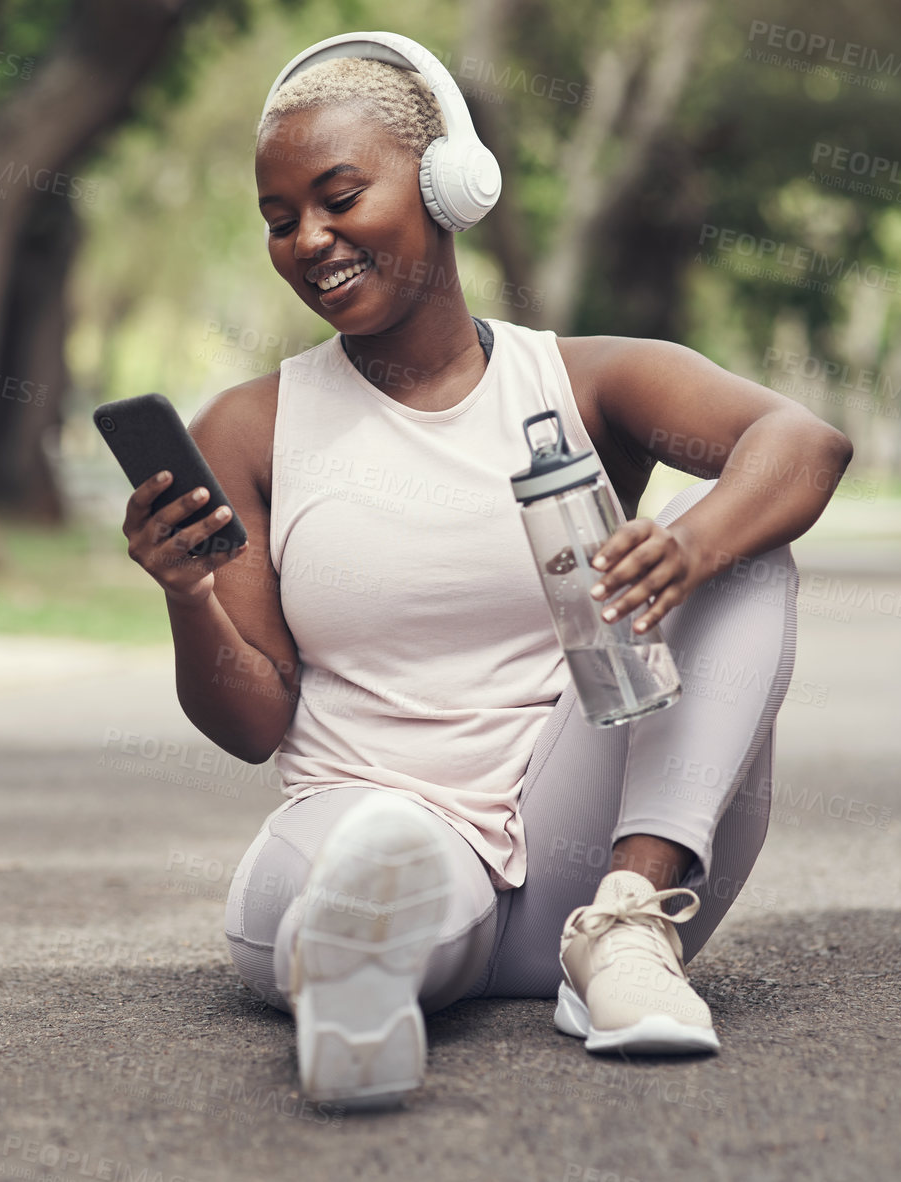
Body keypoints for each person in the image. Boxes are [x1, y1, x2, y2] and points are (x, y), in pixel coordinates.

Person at [118, 32, 852, 1108]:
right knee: (367, 873)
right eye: (281, 220)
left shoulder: (587, 383)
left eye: (338, 197)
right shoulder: (250, 427)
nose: (309, 239)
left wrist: (687, 547)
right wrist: (185, 593)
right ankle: (365, 974)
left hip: (594, 853)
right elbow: (250, 724)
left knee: (747, 557)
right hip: (369, 816)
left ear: (447, 185)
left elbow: (803, 442)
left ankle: (626, 941)